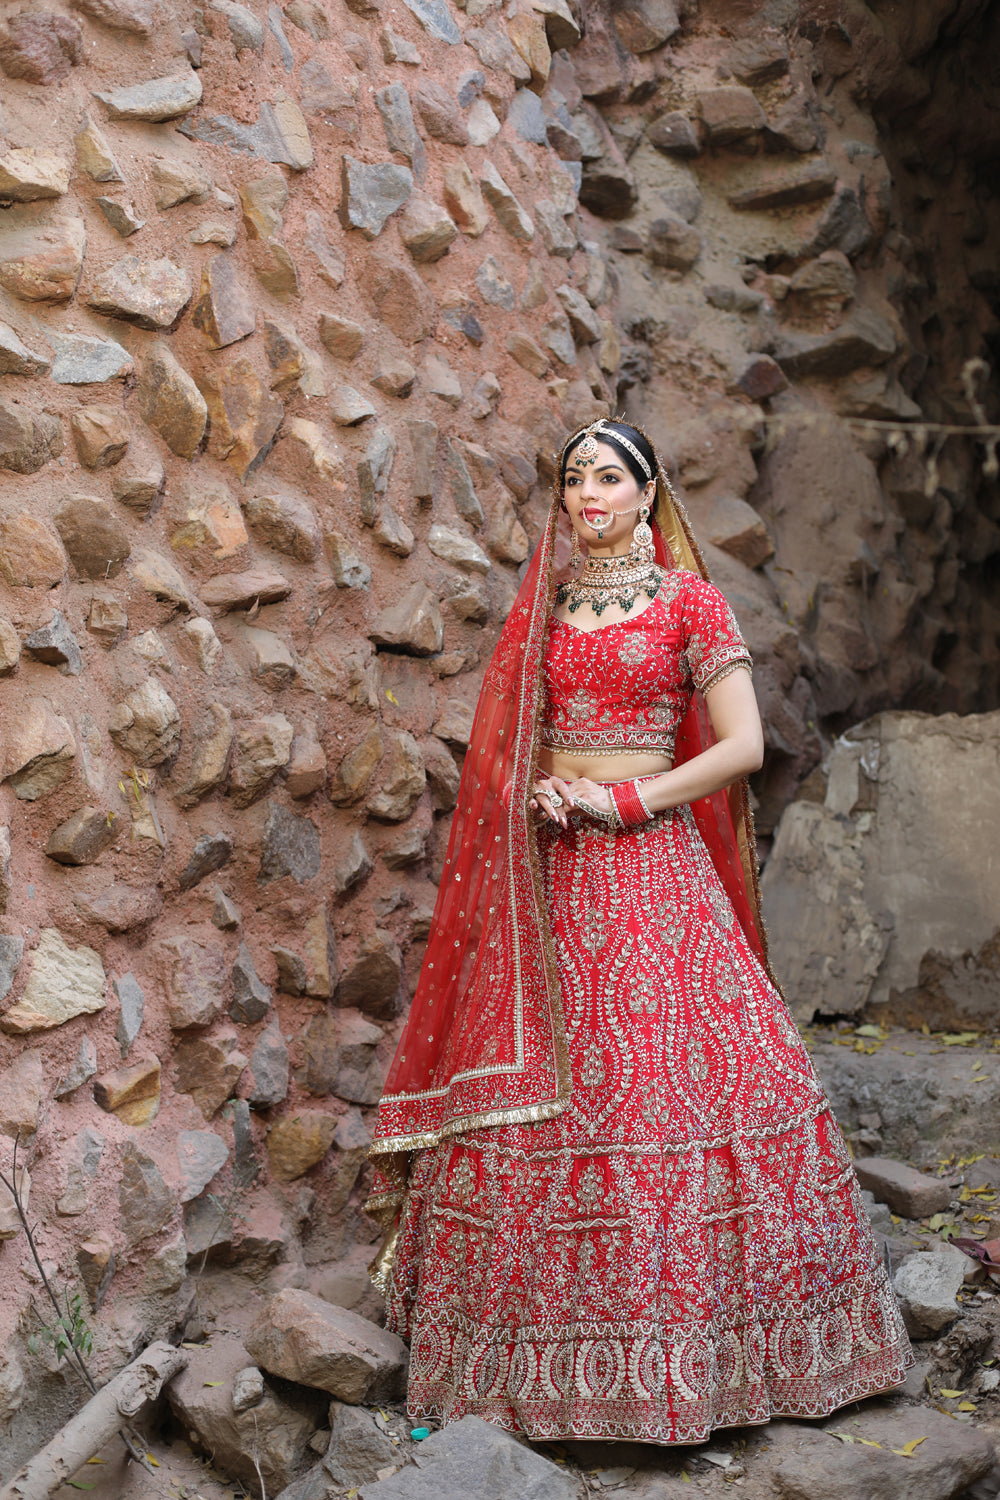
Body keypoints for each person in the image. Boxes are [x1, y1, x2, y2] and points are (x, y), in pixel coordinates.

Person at [364, 418, 914, 1443]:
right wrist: (539, 795)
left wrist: (633, 802)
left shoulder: (687, 603)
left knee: (669, 1077)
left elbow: (745, 745)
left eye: (608, 477)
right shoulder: (549, 611)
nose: (587, 495)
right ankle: (522, 1379)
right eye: (573, 478)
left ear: (647, 490)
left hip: (652, 871)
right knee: (546, 1094)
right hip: (555, 880)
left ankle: (718, 1364)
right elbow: (511, 741)